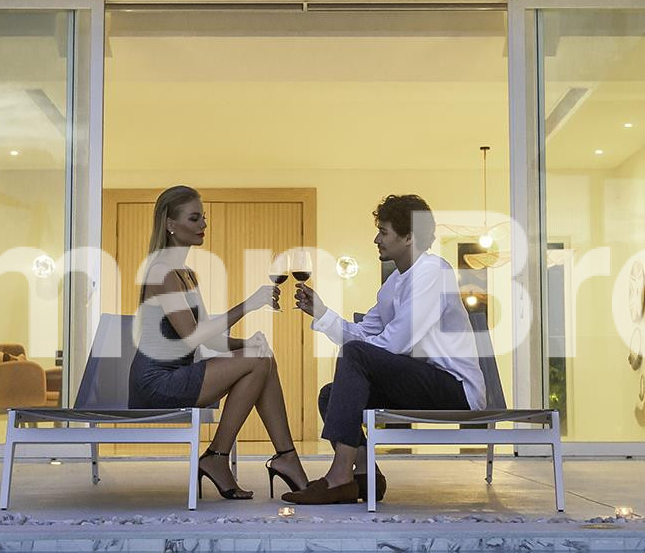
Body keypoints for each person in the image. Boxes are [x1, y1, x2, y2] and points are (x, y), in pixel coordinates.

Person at [283, 193, 483, 505]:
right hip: (419, 382)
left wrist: (359, 357)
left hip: (454, 388)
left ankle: (338, 478)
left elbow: (395, 344)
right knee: (330, 395)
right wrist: (321, 312)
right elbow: (363, 333)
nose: (376, 239)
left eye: (383, 232)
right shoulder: (393, 284)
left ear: (408, 236)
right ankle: (366, 476)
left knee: (355, 355)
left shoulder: (433, 271)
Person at [130, 185, 310, 500]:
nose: (203, 225)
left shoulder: (185, 273)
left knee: (262, 356)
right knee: (258, 360)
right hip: (157, 383)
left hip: (179, 374)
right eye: (194, 218)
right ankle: (221, 456)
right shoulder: (162, 272)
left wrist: (245, 343)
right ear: (170, 224)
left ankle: (283, 456)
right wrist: (249, 304)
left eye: (204, 217)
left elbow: (208, 339)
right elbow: (193, 337)